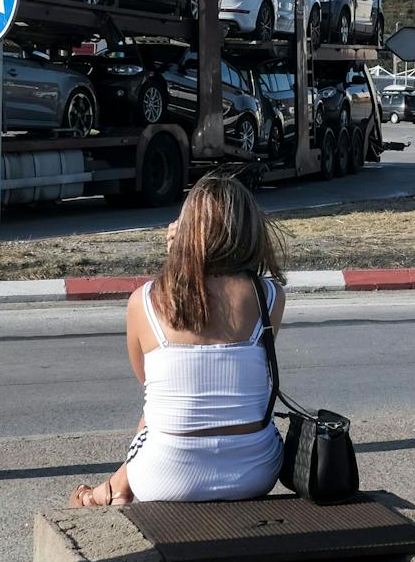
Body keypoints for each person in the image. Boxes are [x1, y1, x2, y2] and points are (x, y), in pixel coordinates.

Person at [70, 175, 286, 506]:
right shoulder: (270, 297)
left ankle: (112, 490)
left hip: (165, 477)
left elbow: (149, 381)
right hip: (256, 473)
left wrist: (178, 257)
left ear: (184, 231)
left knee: (153, 413)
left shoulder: (144, 301)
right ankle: (113, 489)